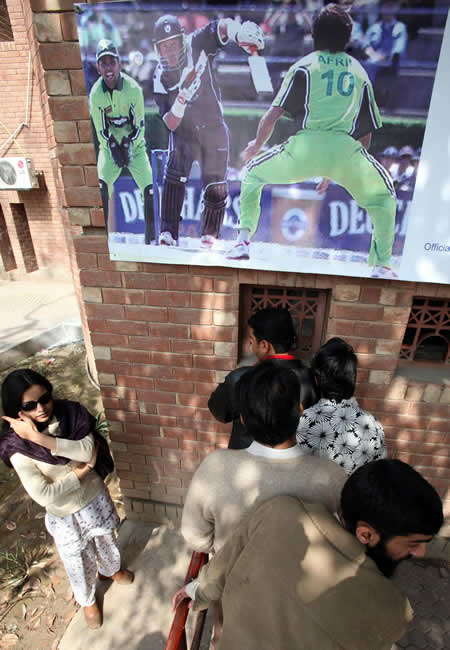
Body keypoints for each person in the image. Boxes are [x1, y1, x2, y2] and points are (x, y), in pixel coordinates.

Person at [173, 459, 444, 649]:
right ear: (366, 534)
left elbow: (224, 562)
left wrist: (197, 590)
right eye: (413, 543)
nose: (420, 553)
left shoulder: (280, 510)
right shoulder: (392, 609)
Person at [228, 4, 398, 280]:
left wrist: (255, 146)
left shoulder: (304, 66)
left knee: (252, 174)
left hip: (304, 148)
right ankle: (382, 265)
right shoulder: (359, 72)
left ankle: (242, 242)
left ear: (314, 34)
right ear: (348, 37)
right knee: (384, 197)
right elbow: (366, 133)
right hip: (345, 151)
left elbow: (271, 116)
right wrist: (340, 170)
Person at [0, 369, 133, 630]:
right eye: (30, 405)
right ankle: (87, 600)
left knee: (107, 538)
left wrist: (38, 437)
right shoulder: (16, 447)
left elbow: (86, 448)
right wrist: (83, 471)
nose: (41, 408)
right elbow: (44, 494)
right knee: (77, 559)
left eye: (45, 398)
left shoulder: (70, 414)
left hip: (94, 498)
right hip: (65, 514)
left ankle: (110, 569)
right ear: (18, 410)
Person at [183, 361, 346, 554]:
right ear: (300, 410)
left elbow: (194, 538)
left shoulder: (214, 467)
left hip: (230, 578)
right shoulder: (333, 477)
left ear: (242, 419)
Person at [152, 14, 264, 249]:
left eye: (173, 44)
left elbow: (220, 27)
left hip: (213, 126)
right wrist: (182, 98)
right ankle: (168, 232)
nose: (170, 52)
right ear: (157, 49)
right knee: (174, 177)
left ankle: (210, 235)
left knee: (215, 186)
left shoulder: (196, 43)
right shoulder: (159, 76)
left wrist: (239, 32)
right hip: (183, 131)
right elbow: (171, 123)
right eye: (164, 47)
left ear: (181, 40)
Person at [208, 306, 312, 449]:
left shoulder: (241, 378)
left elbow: (219, 411)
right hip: (294, 461)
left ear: (264, 345)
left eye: (251, 341)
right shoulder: (312, 378)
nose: (251, 347)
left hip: (247, 459)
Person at [89, 39, 155, 243]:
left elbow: (140, 127)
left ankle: (151, 239)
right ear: (98, 67)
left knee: (150, 190)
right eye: (104, 63)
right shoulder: (95, 95)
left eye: (112, 62)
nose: (108, 68)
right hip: (109, 151)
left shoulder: (133, 89)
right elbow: (101, 131)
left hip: (134, 148)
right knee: (100, 187)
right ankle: (103, 241)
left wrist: (128, 146)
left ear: (119, 64)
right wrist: (112, 148)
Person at [296, 337, 387, 473]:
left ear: (316, 379)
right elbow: (379, 471)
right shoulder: (373, 425)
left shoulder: (304, 422)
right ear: (353, 378)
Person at [363, 1, 408, 84]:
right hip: (373, 61)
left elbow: (398, 51)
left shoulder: (400, 28)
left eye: (391, 6)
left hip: (391, 64)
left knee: (370, 65)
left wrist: (383, 57)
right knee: (367, 64)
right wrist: (373, 55)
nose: (388, 9)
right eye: (385, 6)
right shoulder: (374, 27)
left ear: (396, 8)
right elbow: (366, 46)